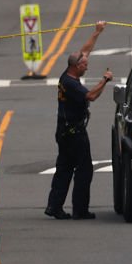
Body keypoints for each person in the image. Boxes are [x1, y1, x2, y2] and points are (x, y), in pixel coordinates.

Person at [44, 21, 113, 220]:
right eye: (84, 65)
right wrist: (105, 80)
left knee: (64, 168)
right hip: (74, 133)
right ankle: (80, 209)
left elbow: (84, 51)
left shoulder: (68, 73)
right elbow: (91, 96)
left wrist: (97, 32)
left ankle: (54, 207)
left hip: (65, 131)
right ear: (76, 66)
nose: (87, 66)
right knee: (84, 170)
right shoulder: (71, 83)